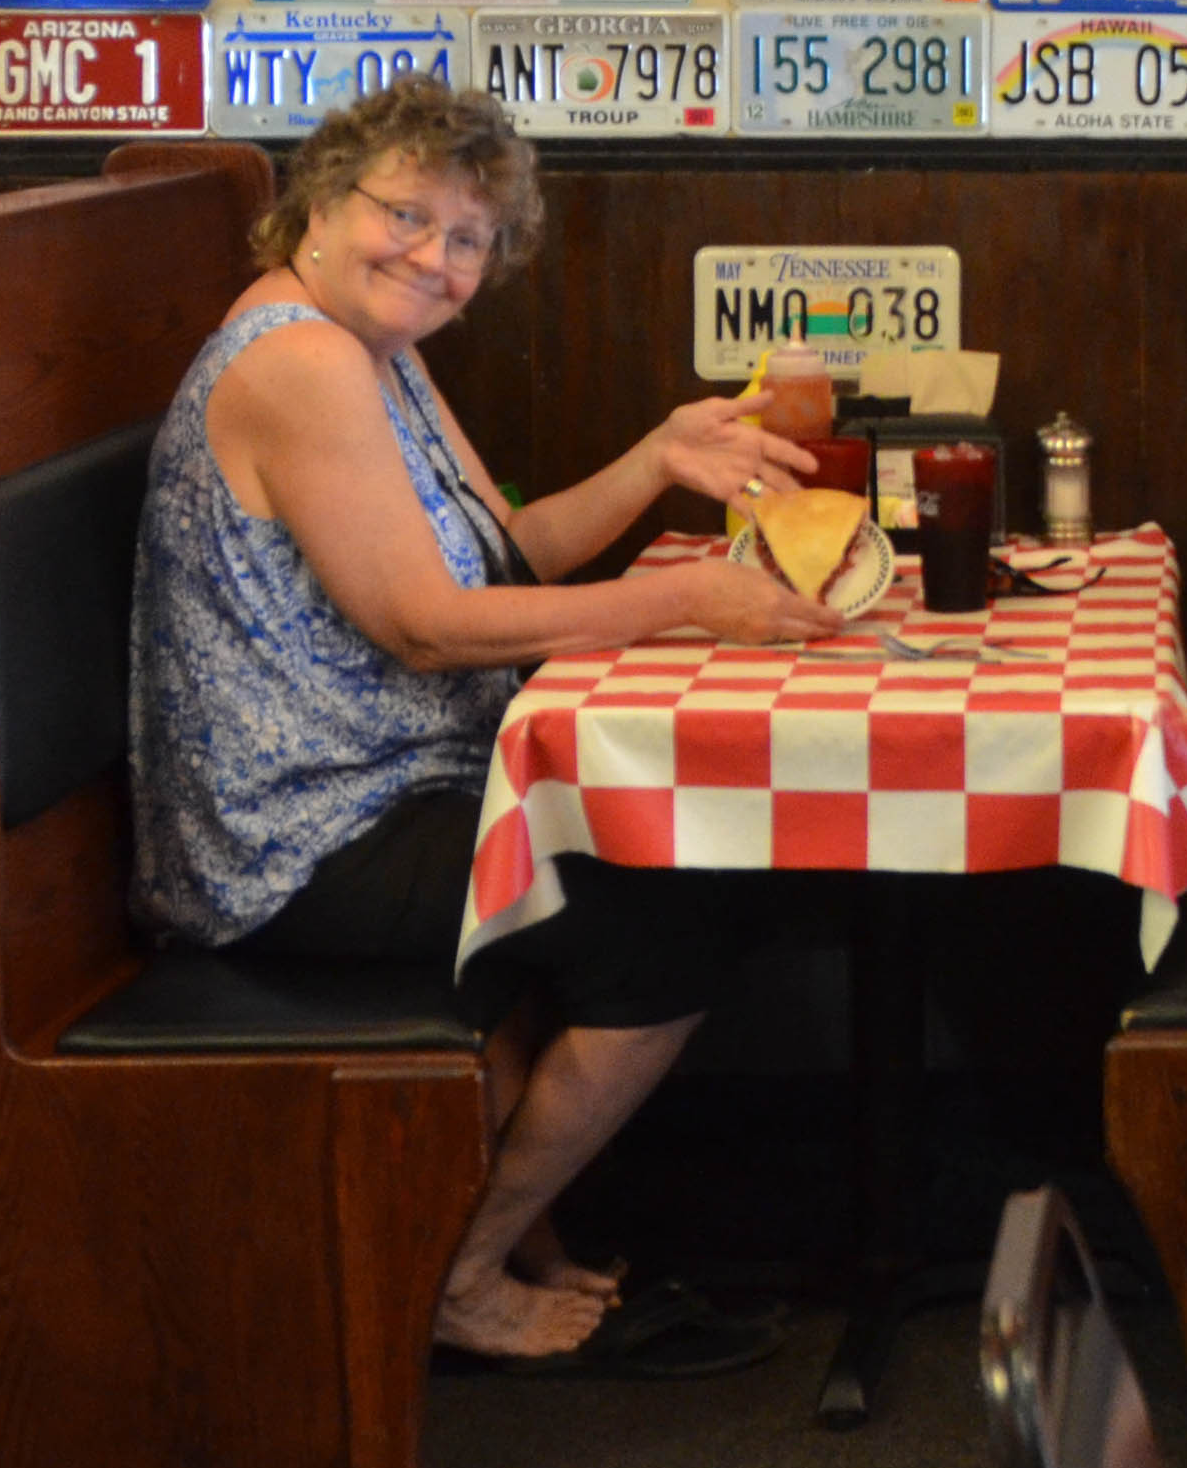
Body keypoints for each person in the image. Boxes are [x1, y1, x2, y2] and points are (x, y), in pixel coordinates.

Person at [126, 77, 850, 1366]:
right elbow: (423, 625)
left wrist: (655, 461)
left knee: (666, 869)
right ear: (319, 201)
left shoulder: (370, 348)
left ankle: (514, 1229)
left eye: (468, 239)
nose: (433, 256)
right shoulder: (298, 360)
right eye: (404, 214)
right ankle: (461, 1270)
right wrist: (684, 598)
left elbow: (496, 558)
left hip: (390, 783)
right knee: (667, 918)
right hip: (292, 838)